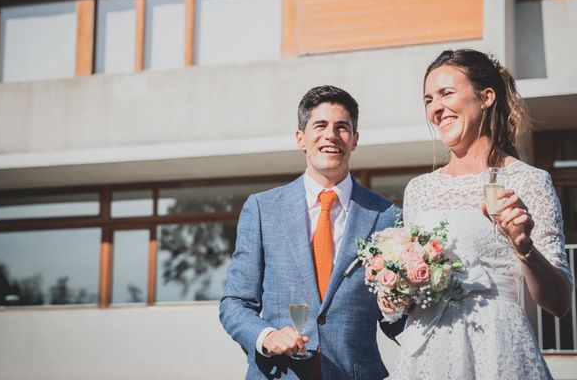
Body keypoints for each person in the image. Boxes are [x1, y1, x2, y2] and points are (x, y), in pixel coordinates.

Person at [390, 49, 573, 379]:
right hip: (428, 354)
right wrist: (395, 290)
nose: (435, 108)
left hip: (496, 347)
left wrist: (524, 248)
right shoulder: (418, 189)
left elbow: (559, 303)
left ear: (486, 97)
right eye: (428, 99)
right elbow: (414, 294)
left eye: (447, 93)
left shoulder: (530, 181)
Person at [220, 85, 402, 380]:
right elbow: (235, 303)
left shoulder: (387, 217)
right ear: (300, 138)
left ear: (354, 140)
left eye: (342, 127)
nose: (331, 135)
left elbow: (395, 320)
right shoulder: (262, 209)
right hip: (279, 373)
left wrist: (395, 310)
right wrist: (266, 336)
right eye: (320, 125)